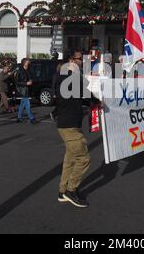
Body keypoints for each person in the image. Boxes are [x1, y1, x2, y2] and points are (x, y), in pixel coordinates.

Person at [56, 49, 90, 208]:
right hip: (69, 125)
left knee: (70, 159)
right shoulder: (69, 77)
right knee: (83, 159)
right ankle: (71, 190)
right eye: (79, 59)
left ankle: (62, 191)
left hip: (69, 124)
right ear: (70, 61)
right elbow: (86, 94)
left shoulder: (67, 77)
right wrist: (98, 101)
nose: (81, 62)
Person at [15, 58, 37, 124]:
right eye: (28, 62)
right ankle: (31, 118)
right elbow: (17, 82)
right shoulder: (20, 71)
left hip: (27, 88)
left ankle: (19, 117)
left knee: (23, 103)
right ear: (24, 63)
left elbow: (30, 77)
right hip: (22, 89)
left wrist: (31, 81)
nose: (29, 63)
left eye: (29, 62)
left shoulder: (29, 70)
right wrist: (26, 83)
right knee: (27, 104)